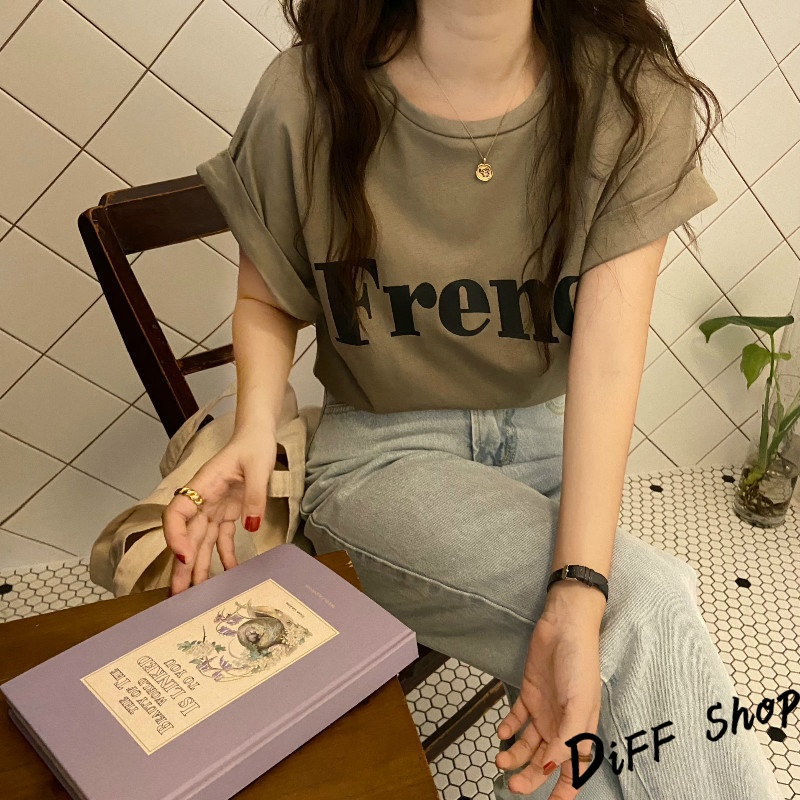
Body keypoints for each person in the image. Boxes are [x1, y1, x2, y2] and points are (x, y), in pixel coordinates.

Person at [162, 1, 785, 798]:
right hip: (383, 456)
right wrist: (254, 424)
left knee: (585, 696)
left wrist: (577, 588)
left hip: (546, 438)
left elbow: (605, 361)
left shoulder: (628, 95)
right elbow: (266, 297)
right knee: (645, 606)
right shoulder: (308, 94)